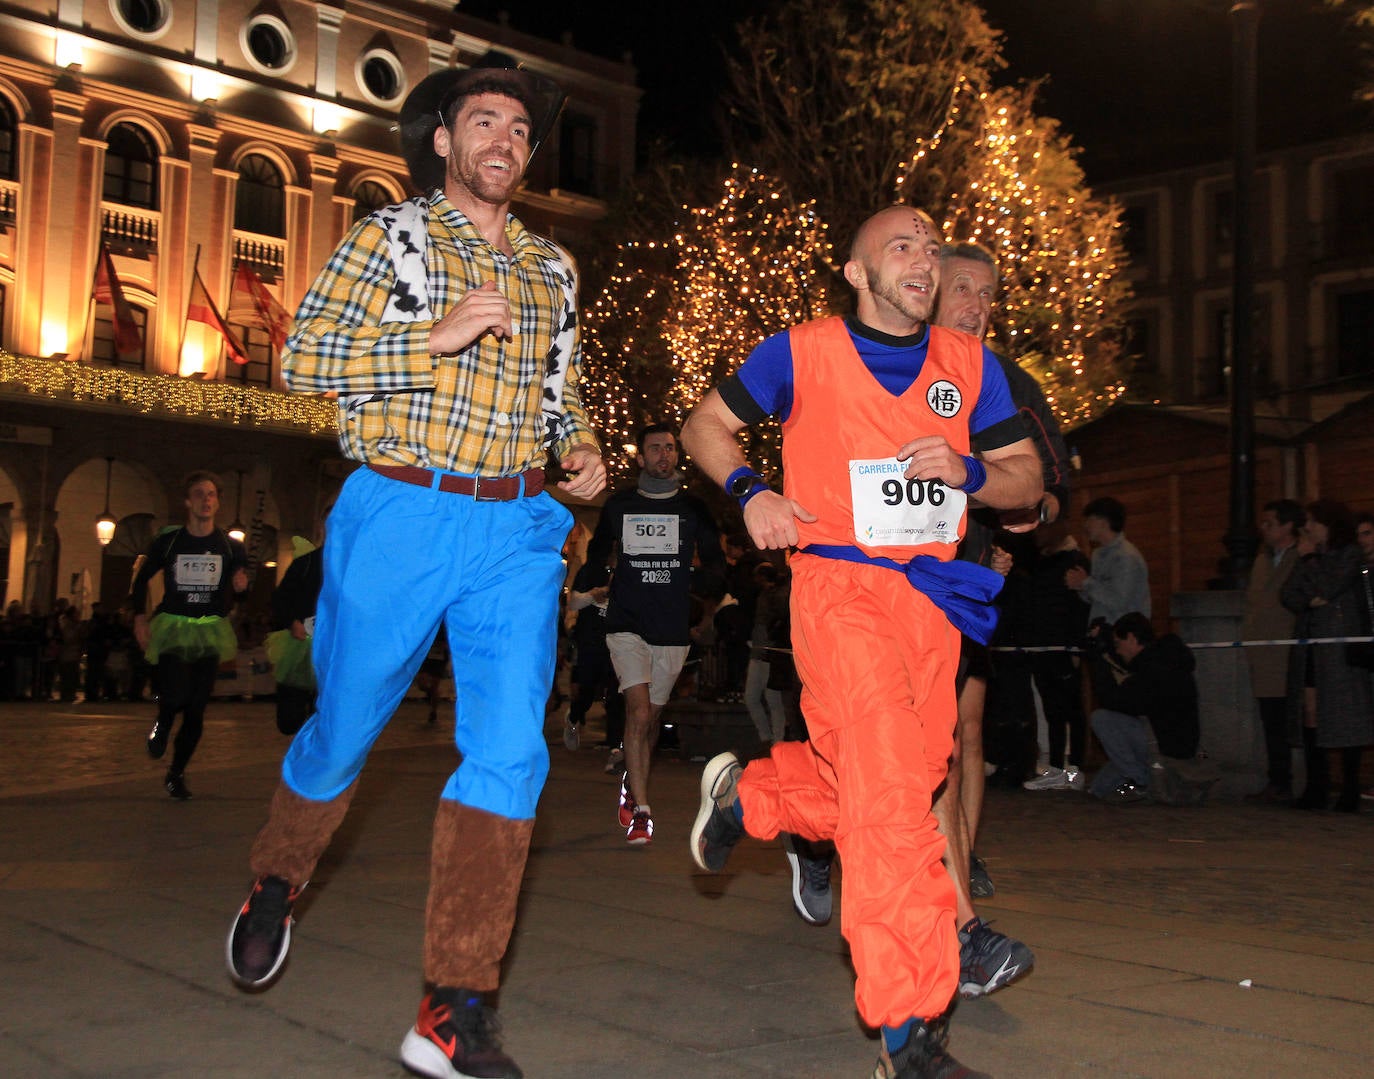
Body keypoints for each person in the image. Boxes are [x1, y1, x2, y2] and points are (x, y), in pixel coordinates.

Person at [223, 52, 606, 1079]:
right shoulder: (388, 236)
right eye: (484, 123)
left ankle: (455, 1002)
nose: (504, 142)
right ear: (443, 139)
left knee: (511, 751)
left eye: (520, 130)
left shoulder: (553, 269)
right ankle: (279, 871)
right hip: (400, 507)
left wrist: (579, 443)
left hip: (517, 526)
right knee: (344, 722)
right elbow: (302, 358)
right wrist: (430, 338)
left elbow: (559, 387)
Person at [682, 204, 1042, 1079]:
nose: (924, 260)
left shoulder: (972, 366)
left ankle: (750, 798)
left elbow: (1027, 480)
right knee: (890, 809)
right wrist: (751, 491)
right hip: (840, 592)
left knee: (897, 783)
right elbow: (703, 426)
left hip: (932, 605)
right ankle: (908, 1032)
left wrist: (969, 471)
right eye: (902, 246)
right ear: (856, 271)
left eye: (932, 247)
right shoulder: (798, 352)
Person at [584, 422, 724, 845]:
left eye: (670, 447)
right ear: (641, 457)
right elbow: (597, 553)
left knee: (651, 719)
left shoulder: (694, 508)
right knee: (640, 712)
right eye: (655, 448)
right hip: (626, 622)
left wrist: (695, 583)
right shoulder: (619, 505)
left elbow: (716, 563)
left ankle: (633, 776)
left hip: (671, 626)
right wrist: (596, 580)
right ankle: (642, 811)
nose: (664, 454)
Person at [131, 470, 249, 800]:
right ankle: (164, 719)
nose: (206, 500)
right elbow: (141, 581)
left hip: (209, 628)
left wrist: (242, 588)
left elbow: (242, 593)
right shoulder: (170, 542)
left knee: (197, 709)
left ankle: (177, 772)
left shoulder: (230, 546)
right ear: (187, 501)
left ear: (218, 503)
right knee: (175, 695)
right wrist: (139, 618)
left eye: (211, 494)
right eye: (199, 494)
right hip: (173, 625)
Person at [1280, 500, 1373, 812]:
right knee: (1310, 712)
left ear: (1328, 524)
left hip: (1339, 648)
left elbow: (1329, 586)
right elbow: (1288, 594)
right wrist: (1311, 599)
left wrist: (1310, 561)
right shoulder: (1311, 555)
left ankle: (1350, 789)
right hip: (1311, 645)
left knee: (1346, 715)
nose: (1307, 527)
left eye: (1312, 521)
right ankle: (1316, 786)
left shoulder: (1350, 554)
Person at [1086, 612, 1199, 804]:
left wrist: (1098, 659)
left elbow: (1115, 701)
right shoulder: (1164, 658)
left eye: (1118, 644)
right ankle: (1138, 777)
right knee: (1098, 789)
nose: (1118, 651)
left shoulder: (1153, 668)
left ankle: (1142, 783)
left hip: (1163, 749)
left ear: (1131, 638)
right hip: (1172, 742)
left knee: (1102, 719)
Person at [1241, 500, 1304, 802]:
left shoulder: (1300, 557)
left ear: (1288, 526)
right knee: (1271, 720)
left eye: (1270, 523)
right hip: (1263, 653)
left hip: (1289, 651)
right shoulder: (1262, 560)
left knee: (1294, 719)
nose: (1263, 528)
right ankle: (1278, 781)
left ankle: (1295, 782)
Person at [265, 536, 325, 736]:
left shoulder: (356, 566)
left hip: (337, 650)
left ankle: (315, 746)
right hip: (301, 645)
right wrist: (291, 622)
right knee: (289, 719)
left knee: (326, 715)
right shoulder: (306, 563)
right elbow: (280, 599)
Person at [1065, 496, 1150, 626]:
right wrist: (1080, 586)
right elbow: (1097, 598)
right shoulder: (1098, 555)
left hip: (1125, 633)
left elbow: (1119, 601)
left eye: (1090, 520)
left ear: (1104, 522)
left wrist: (1086, 583)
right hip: (1102, 631)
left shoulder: (1126, 556)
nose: (1085, 525)